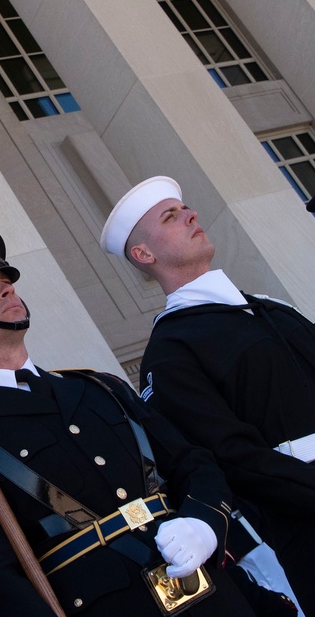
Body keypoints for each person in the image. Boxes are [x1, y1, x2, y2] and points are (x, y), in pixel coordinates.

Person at [0, 225, 255, 616]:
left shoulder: (97, 387)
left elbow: (193, 463)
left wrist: (205, 524)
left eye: (4, 280)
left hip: (213, 596)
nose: (7, 289)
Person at [101, 176, 315, 614]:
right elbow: (232, 458)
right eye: (170, 216)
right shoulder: (172, 350)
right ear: (145, 254)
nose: (191, 215)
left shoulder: (271, 308)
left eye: (185, 208)